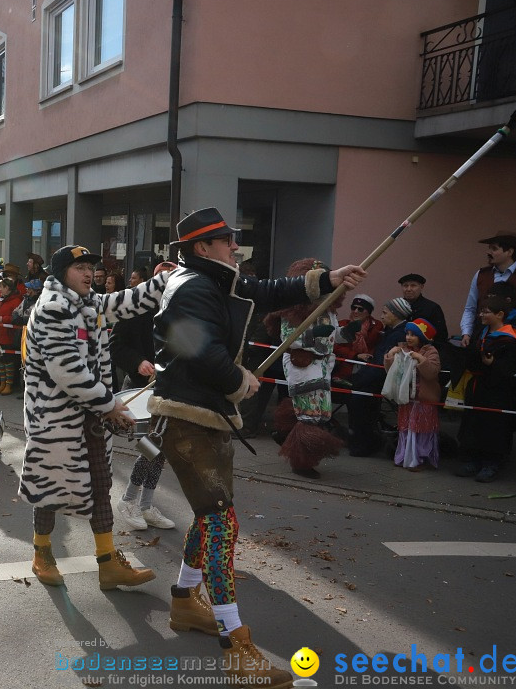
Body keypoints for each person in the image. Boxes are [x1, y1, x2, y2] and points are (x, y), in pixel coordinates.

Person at [147, 207, 364, 689]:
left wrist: (327, 278)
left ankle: (184, 601)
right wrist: (239, 379)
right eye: (227, 241)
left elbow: (264, 289)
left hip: (205, 416)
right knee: (222, 523)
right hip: (188, 419)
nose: (235, 248)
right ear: (203, 248)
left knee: (211, 516)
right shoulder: (194, 287)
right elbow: (195, 349)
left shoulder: (214, 279)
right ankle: (236, 645)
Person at [21, 244, 170, 594]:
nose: (89, 273)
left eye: (91, 267)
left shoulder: (89, 303)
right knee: (50, 490)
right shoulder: (53, 308)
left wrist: (167, 280)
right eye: (80, 268)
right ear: (61, 274)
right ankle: (41, 553)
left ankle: (107, 563)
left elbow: (128, 301)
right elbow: (67, 371)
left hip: (91, 417)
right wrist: (111, 406)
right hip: (55, 423)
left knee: (101, 487)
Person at [265, 258, 358, 479]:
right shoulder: (292, 311)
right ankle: (302, 461)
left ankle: (285, 433)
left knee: (317, 409)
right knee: (310, 413)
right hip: (304, 365)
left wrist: (347, 333)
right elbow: (289, 340)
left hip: (325, 365)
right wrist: (313, 335)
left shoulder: (329, 310)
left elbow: (333, 335)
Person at [110, 263, 177, 531]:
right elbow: (115, 346)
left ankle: (146, 504)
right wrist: (138, 363)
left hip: (170, 392)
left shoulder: (181, 310)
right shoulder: (135, 309)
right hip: (140, 390)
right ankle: (128, 501)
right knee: (149, 447)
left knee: (160, 452)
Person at [454, 293, 516, 482]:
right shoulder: (481, 333)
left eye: (486, 312)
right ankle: (472, 460)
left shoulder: (511, 338)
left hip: (498, 392)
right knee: (473, 423)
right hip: (478, 388)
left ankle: (492, 463)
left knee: (495, 427)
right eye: (481, 312)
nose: (482, 316)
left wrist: (493, 363)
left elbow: (511, 367)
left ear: (500, 314)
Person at [346, 297, 411, 457]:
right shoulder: (393, 331)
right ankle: (364, 442)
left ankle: (363, 445)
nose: (381, 316)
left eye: (385, 312)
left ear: (396, 314)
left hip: (378, 380)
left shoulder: (398, 334)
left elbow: (382, 364)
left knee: (361, 406)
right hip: (374, 377)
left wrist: (358, 380)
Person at [384, 318, 442, 471]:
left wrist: (421, 359)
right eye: (407, 334)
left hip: (424, 400)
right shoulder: (402, 349)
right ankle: (404, 456)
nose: (408, 337)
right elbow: (392, 372)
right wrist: (390, 356)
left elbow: (432, 373)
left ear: (422, 337)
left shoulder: (430, 351)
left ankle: (422, 458)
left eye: (413, 335)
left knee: (422, 429)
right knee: (406, 429)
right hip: (407, 398)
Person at [460, 231, 516, 347]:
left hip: (513, 343)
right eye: (489, 248)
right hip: (481, 338)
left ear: (509, 252)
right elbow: (470, 308)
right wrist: (466, 333)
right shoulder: (481, 275)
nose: (488, 252)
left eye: (494, 249)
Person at [333, 294, 382, 383]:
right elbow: (334, 346)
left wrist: (367, 356)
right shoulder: (343, 324)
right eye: (353, 308)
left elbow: (377, 346)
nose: (355, 311)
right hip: (343, 370)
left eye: (360, 309)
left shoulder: (377, 327)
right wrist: (356, 355)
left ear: (368, 312)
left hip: (366, 370)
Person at [397, 273, 449, 352]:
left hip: (425, 354)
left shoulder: (432, 308)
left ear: (421, 287)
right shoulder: (396, 307)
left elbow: (441, 337)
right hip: (399, 351)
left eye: (413, 285)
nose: (408, 289)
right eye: (405, 286)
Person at [0, 278, 23, 395]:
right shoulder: (1, 300)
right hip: (0, 333)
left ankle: (8, 385)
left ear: (7, 288)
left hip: (9, 334)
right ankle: (2, 384)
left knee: (8, 360)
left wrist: (3, 319)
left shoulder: (16, 301)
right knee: (1, 360)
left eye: (1, 287)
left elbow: (16, 317)